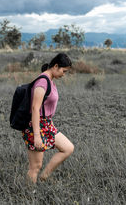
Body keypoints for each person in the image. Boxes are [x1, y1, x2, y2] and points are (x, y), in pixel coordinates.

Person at [22, 53, 74, 184]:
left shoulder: (50, 79)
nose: (64, 74)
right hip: (36, 126)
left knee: (68, 148)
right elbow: (35, 108)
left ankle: (44, 177)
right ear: (56, 66)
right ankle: (27, 195)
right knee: (35, 166)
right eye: (64, 71)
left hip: (46, 124)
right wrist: (37, 136)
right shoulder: (42, 81)